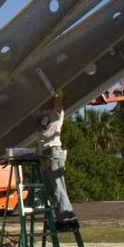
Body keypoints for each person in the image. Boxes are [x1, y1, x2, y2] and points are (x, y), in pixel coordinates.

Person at [38, 91, 77, 227]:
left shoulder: (56, 112)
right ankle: (61, 218)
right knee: (51, 190)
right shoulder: (41, 112)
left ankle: (68, 219)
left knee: (58, 188)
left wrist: (57, 91)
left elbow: (59, 99)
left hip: (54, 151)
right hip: (45, 154)